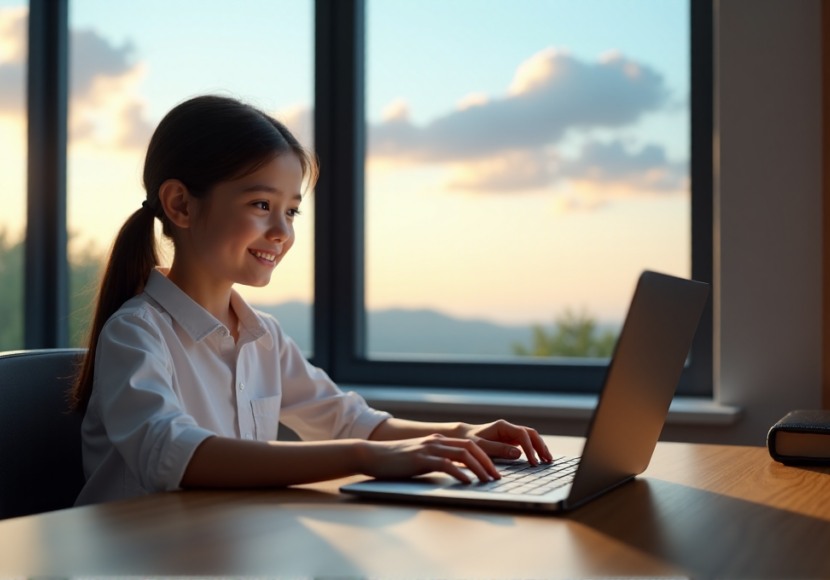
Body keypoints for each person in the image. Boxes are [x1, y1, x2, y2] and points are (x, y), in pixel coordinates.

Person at [71, 95, 552, 506]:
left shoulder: (263, 335)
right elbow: (174, 453)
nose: (282, 232)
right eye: (261, 205)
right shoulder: (135, 333)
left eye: (292, 211)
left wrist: (460, 434)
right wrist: (363, 458)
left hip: (219, 547)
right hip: (135, 558)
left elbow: (349, 421)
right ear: (180, 204)